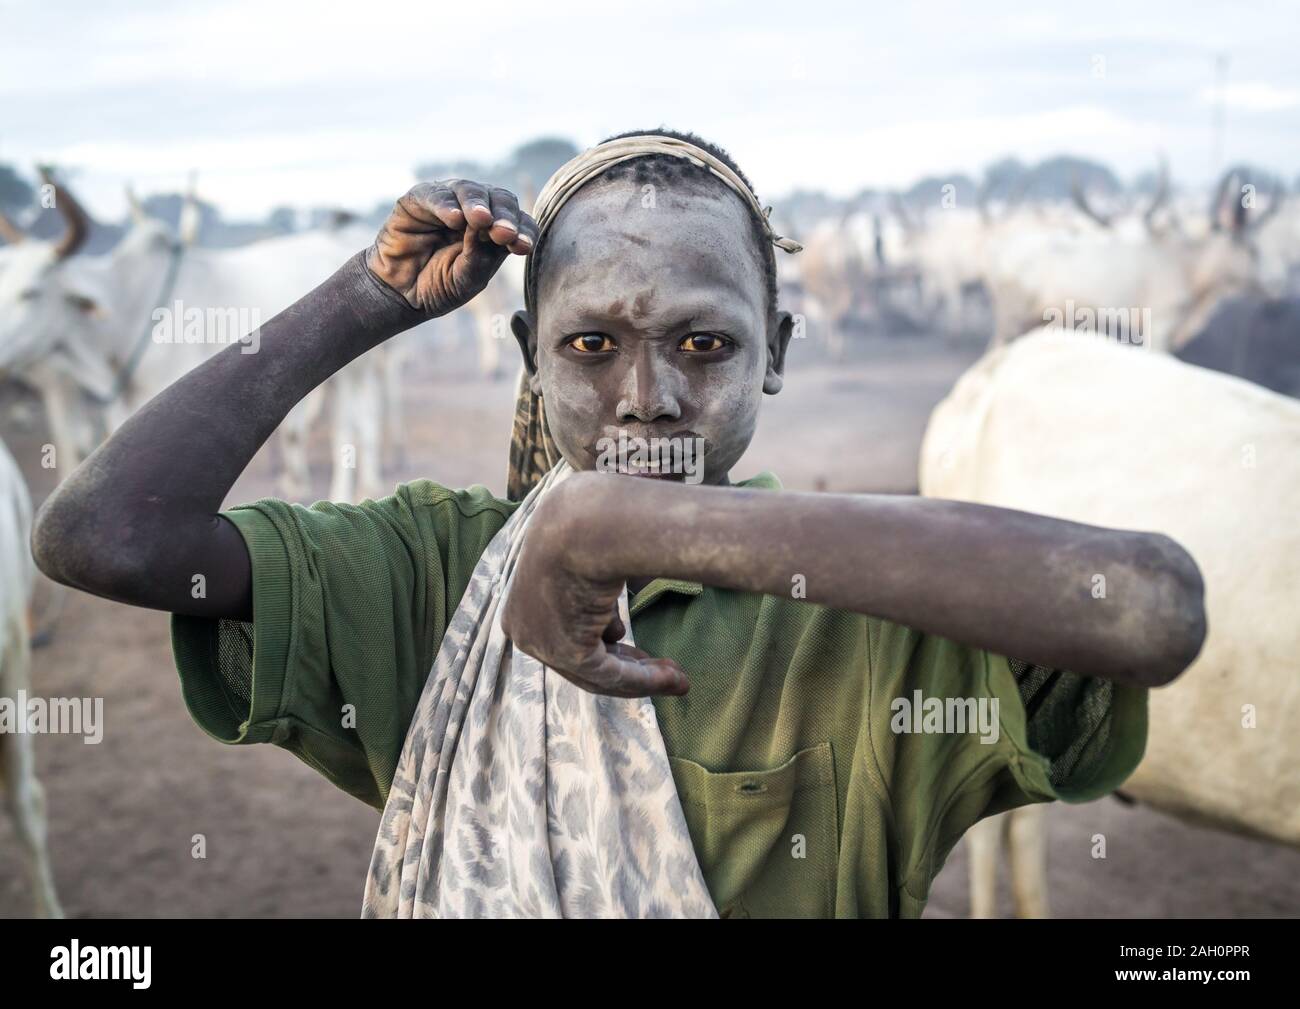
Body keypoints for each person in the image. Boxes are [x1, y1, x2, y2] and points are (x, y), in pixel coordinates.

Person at [33, 128, 1206, 918]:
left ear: (777, 354)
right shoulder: (430, 571)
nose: (648, 395)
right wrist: (365, 297)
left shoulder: (869, 609)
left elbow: (1149, 606)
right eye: (591, 346)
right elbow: (101, 535)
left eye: (705, 344)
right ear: (531, 361)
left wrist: (615, 528)